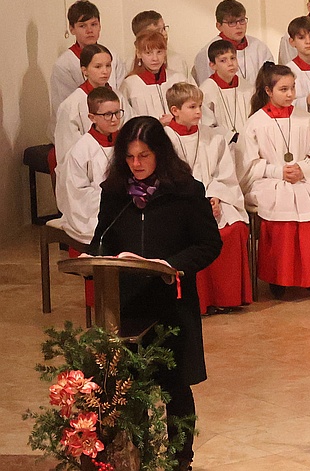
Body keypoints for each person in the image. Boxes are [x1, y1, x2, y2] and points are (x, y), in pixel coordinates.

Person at [90, 116, 222, 471]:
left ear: (160, 154)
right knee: (128, 386)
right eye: (130, 157)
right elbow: (102, 239)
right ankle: (139, 457)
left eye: (144, 156)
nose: (136, 164)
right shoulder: (115, 193)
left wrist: (173, 264)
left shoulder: (186, 191)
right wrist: (97, 257)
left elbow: (209, 244)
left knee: (175, 386)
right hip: (127, 303)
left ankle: (181, 460)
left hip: (172, 303)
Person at [240, 63, 310, 299]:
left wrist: (303, 170)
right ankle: (279, 278)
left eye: (293, 88)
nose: (291, 94)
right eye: (284, 89)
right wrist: (278, 171)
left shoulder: (306, 119)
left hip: (304, 178)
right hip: (269, 180)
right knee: (283, 204)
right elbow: (247, 165)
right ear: (268, 91)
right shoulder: (255, 123)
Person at [165, 82, 252, 313]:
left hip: (212, 198)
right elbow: (165, 179)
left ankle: (225, 298)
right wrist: (196, 204)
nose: (198, 112)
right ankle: (200, 301)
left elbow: (224, 174)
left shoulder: (214, 138)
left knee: (234, 228)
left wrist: (215, 197)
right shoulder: (163, 140)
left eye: (200, 106)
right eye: (192, 107)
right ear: (175, 110)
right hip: (178, 204)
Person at [55, 87, 124, 244]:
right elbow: (77, 194)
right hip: (91, 214)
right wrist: (113, 198)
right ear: (92, 117)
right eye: (107, 114)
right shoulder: (81, 150)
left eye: (117, 112)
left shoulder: (125, 143)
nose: (114, 119)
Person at [50, 0, 126, 126]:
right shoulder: (64, 64)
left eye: (94, 24)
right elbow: (65, 108)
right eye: (82, 26)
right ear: (72, 29)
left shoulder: (112, 57)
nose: (89, 30)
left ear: (100, 26)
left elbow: (119, 93)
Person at [54, 44, 126, 166]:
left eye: (108, 65)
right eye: (98, 66)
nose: (105, 71)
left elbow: (127, 130)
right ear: (84, 70)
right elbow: (67, 152)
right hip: (86, 168)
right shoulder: (72, 104)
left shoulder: (118, 97)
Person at [199, 39, 254, 174]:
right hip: (222, 148)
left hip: (248, 144)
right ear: (213, 65)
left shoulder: (247, 87)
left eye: (233, 58)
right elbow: (207, 125)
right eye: (223, 60)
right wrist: (232, 136)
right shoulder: (206, 90)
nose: (230, 63)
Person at [192, 0, 274, 86]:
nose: (239, 26)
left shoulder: (259, 47)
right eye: (232, 22)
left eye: (242, 21)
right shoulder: (207, 52)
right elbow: (207, 86)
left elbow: (271, 78)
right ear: (219, 26)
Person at [120, 30, 186, 126]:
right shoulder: (130, 84)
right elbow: (126, 120)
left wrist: (176, 120)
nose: (155, 58)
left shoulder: (178, 79)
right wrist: (157, 124)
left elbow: (192, 110)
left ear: (165, 52)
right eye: (148, 53)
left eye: (159, 52)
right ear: (139, 54)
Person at [129, 10, 193, 83]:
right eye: (158, 31)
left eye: (164, 28)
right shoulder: (130, 66)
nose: (165, 34)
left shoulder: (176, 60)